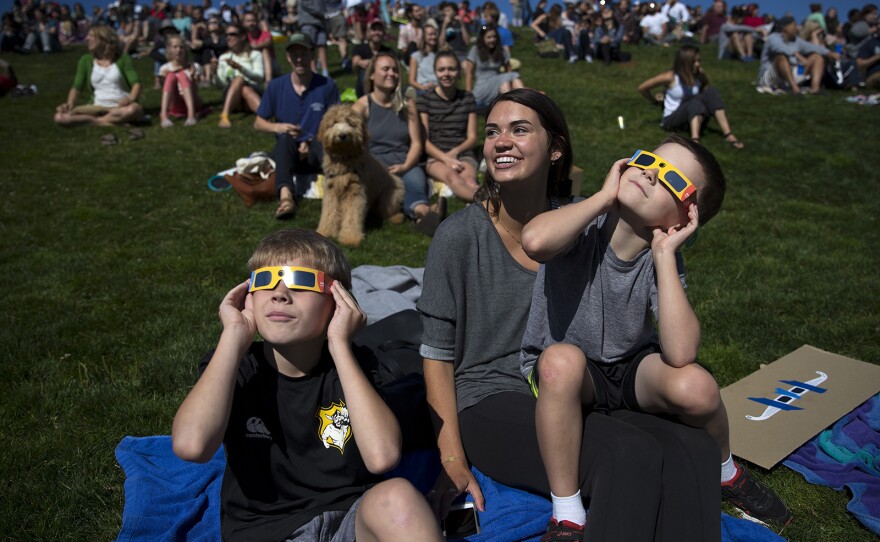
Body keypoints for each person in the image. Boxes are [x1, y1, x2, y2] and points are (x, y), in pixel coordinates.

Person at [419, 89, 722, 542]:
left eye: (520, 130)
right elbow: (437, 353)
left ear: (555, 149)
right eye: (492, 131)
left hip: (568, 390)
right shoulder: (459, 235)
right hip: (492, 393)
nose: (501, 141)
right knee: (626, 454)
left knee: (693, 447)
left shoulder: (582, 222)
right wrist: (450, 457)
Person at [518, 132, 792, 535]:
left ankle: (726, 471)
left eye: (671, 179)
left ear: (683, 218)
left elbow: (681, 353)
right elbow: (535, 241)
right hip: (570, 371)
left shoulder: (662, 257)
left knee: (698, 387)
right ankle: (567, 510)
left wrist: (664, 254)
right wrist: (602, 198)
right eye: (647, 160)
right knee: (561, 361)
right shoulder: (581, 221)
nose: (649, 175)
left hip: (628, 367)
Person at [171, 228, 443, 542]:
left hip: (350, 522)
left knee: (399, 497)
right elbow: (191, 446)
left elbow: (381, 457)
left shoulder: (357, 364)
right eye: (265, 281)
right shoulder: (237, 365)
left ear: (337, 302)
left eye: (300, 282)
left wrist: (340, 346)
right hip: (266, 532)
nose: (279, 293)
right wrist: (233, 337)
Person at [353, 52, 445, 236]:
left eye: (395, 70)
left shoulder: (407, 104)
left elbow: (417, 144)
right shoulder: (362, 106)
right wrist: (376, 167)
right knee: (386, 187)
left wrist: (405, 165)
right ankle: (425, 214)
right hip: (375, 165)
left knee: (414, 182)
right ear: (371, 74)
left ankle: (423, 214)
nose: (392, 73)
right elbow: (355, 143)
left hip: (405, 161)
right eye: (385, 69)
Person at [255, 32, 340, 219]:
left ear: (312, 55)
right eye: (294, 54)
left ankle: (338, 193)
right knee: (284, 139)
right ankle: (286, 197)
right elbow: (258, 123)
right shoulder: (276, 86)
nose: (299, 59)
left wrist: (310, 139)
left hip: (317, 148)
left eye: (303, 53)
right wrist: (278, 127)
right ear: (288, 57)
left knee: (324, 143)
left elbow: (336, 121)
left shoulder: (327, 86)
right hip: (288, 151)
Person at [638, 45, 744, 148]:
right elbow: (642, 88)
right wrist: (654, 101)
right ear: (685, 62)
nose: (698, 64)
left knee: (711, 92)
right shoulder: (671, 77)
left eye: (699, 61)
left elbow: (705, 88)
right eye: (694, 61)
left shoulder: (697, 74)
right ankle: (695, 140)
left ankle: (728, 133)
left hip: (694, 114)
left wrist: (703, 76)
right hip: (672, 120)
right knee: (694, 102)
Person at [417, 50, 480, 202]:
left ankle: (489, 204)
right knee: (453, 178)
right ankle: (486, 205)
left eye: (451, 69)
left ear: (458, 72)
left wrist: (455, 152)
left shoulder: (467, 98)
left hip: (462, 153)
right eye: (441, 69)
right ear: (435, 72)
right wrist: (446, 159)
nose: (446, 74)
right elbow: (424, 141)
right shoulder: (425, 100)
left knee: (470, 181)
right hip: (435, 156)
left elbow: (472, 137)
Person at [54, 24, 145, 127]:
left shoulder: (123, 59)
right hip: (96, 107)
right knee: (59, 117)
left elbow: (136, 84)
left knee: (133, 110)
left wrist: (130, 98)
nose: (87, 38)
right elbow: (76, 87)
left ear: (104, 39)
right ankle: (111, 121)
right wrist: (69, 104)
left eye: (91, 35)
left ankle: (95, 121)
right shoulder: (85, 60)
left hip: (120, 107)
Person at [756, 15, 838, 96]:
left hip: (790, 74)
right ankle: (795, 89)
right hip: (771, 76)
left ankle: (815, 89)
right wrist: (796, 54)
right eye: (794, 25)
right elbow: (778, 48)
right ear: (785, 27)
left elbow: (812, 47)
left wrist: (829, 53)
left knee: (817, 57)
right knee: (780, 57)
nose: (796, 28)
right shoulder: (773, 37)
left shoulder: (796, 41)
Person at [213, 22, 264, 127]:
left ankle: (225, 115)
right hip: (232, 98)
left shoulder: (255, 54)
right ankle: (264, 116)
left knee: (244, 87)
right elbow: (220, 85)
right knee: (239, 80)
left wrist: (240, 68)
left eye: (232, 34)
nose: (228, 37)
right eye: (226, 35)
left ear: (242, 37)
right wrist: (214, 74)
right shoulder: (223, 58)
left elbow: (259, 77)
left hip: (253, 91)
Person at [464, 24, 524, 111]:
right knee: (513, 76)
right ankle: (519, 106)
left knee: (507, 82)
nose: (492, 40)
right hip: (482, 86)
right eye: (489, 37)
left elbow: (508, 71)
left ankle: (519, 106)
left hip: (498, 82)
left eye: (494, 37)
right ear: (483, 38)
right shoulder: (475, 50)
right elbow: (469, 72)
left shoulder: (502, 51)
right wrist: (468, 93)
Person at [158, 34, 203, 128]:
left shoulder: (194, 66)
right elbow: (165, 89)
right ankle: (163, 115)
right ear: (169, 49)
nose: (178, 50)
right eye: (175, 47)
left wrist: (193, 78)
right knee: (171, 76)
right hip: (175, 101)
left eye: (181, 47)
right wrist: (164, 79)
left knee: (182, 75)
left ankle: (191, 115)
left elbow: (197, 88)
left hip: (193, 100)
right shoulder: (164, 68)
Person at [353, 19, 394, 97]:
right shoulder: (359, 48)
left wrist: (371, 63)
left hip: (383, 80)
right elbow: (355, 63)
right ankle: (367, 99)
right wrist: (361, 63)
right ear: (368, 32)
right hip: (365, 81)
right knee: (364, 72)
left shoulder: (388, 51)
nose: (377, 33)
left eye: (380, 30)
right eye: (374, 30)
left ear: (384, 33)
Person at [242, 10, 277, 85]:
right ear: (244, 23)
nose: (251, 23)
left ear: (257, 22)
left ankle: (268, 81)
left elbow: (268, 43)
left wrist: (254, 46)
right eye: (248, 21)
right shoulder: (243, 36)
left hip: (270, 65)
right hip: (253, 63)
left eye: (253, 21)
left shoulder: (265, 33)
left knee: (265, 50)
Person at [408, 19, 439, 94]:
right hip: (422, 89)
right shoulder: (416, 56)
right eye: (430, 35)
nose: (433, 37)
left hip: (438, 89)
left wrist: (436, 86)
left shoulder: (439, 56)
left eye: (435, 34)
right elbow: (411, 80)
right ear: (424, 36)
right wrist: (423, 87)